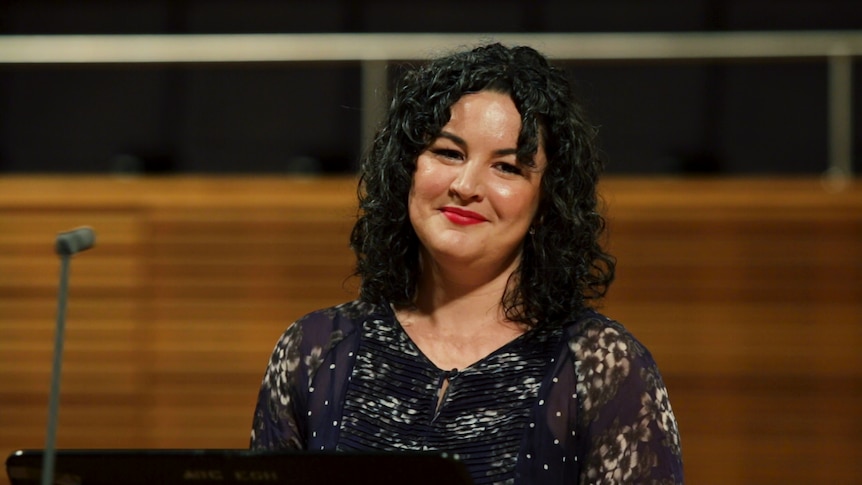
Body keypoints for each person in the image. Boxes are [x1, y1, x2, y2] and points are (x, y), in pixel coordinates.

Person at [250, 43, 683, 484]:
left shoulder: (603, 366)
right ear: (407, 169)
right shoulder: (313, 350)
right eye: (449, 153)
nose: (467, 185)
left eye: (508, 168)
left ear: (547, 202)